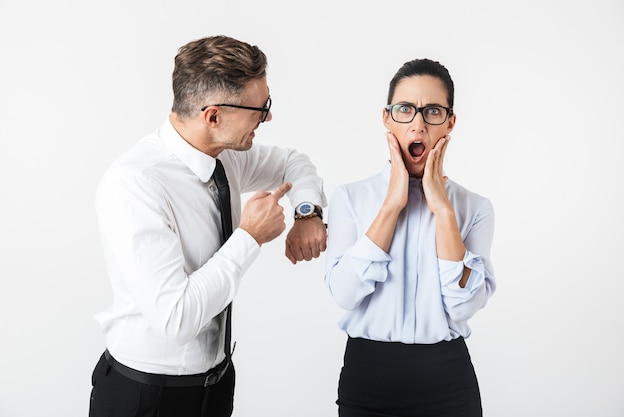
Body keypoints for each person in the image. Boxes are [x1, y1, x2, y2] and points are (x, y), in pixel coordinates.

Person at [89, 35, 327, 417]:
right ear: (213, 116)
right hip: (147, 397)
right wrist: (249, 237)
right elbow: (176, 318)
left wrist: (307, 212)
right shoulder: (135, 185)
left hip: (215, 387)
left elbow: (293, 163)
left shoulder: (225, 156)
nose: (267, 118)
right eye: (259, 108)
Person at [324, 58, 496, 417]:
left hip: (447, 381)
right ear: (387, 118)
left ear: (450, 123)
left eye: (432, 111)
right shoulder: (349, 198)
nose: (418, 124)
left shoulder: (474, 207)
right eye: (405, 110)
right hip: (367, 377)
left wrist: (444, 211)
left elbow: (464, 306)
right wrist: (392, 203)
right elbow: (344, 293)